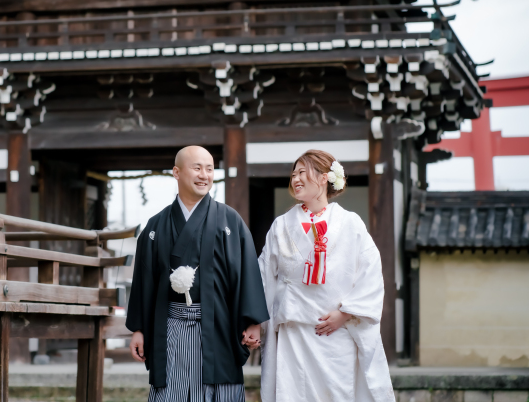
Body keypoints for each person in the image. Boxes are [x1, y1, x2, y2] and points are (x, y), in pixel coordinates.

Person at [126, 145, 269, 402]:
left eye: (210, 168)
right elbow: (144, 280)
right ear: (176, 173)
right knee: (171, 390)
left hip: (218, 325)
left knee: (221, 389)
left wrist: (253, 321)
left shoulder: (229, 221)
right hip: (170, 326)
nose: (205, 175)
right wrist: (138, 329)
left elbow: (247, 272)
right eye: (197, 168)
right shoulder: (155, 225)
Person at [258, 149, 394, 402]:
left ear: (323, 178)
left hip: (336, 332)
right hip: (294, 333)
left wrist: (345, 314)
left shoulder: (350, 223)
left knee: (337, 394)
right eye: (293, 173)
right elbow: (264, 274)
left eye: (302, 172)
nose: (295, 179)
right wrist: (256, 321)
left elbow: (370, 273)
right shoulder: (281, 225)